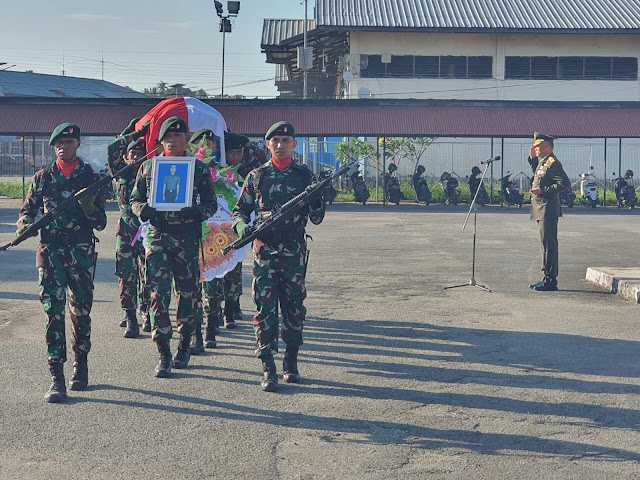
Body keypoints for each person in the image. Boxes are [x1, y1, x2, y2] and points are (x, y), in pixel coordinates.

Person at [232, 121, 325, 392]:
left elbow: (316, 218)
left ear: (294, 145)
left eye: (286, 140)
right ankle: (267, 367)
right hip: (264, 253)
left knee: (295, 309)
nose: (280, 145)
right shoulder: (256, 176)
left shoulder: (305, 176)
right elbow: (240, 210)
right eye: (275, 140)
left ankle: (291, 361)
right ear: (268, 143)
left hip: (293, 253)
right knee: (264, 311)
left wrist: (317, 198)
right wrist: (241, 227)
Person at [17, 122, 107, 403]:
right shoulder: (42, 178)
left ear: (78, 144)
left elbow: (101, 223)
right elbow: (26, 212)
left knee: (80, 312)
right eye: (58, 143)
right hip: (50, 252)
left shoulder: (91, 178)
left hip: (80, 252)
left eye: (68, 142)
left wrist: (89, 206)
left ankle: (81, 364)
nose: (62, 146)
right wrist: (23, 227)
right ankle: (56, 376)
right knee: (52, 313)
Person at [130, 116, 217, 378]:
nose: (172, 140)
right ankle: (163, 352)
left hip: (187, 240)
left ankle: (184, 344)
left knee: (188, 296)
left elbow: (211, 205)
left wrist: (196, 210)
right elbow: (135, 198)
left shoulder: (198, 169)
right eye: (167, 137)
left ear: (186, 139)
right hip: (158, 238)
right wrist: (141, 208)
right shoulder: (148, 168)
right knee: (157, 296)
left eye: (177, 136)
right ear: (161, 140)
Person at [190, 130, 249, 354]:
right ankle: (193, 331)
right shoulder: (183, 169)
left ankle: (210, 327)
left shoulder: (221, 175)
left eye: (212, 146)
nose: (206, 149)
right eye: (200, 144)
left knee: (214, 280)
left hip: (217, 233)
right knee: (191, 287)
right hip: (188, 235)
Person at [106, 119, 152, 337]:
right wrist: (133, 133)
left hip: (148, 232)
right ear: (125, 157)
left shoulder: (151, 171)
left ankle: (146, 311)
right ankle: (130, 316)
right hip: (125, 231)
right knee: (126, 276)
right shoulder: (120, 173)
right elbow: (112, 148)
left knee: (149, 275)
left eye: (140, 152)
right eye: (132, 153)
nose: (136, 156)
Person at [528, 132, 570, 292]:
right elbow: (539, 176)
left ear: (546, 147)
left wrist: (543, 190)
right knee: (544, 244)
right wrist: (533, 159)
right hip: (541, 208)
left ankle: (550, 280)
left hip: (547, 208)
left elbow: (564, 183)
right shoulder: (544, 162)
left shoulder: (553, 163)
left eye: (538, 146)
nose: (535, 148)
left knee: (548, 245)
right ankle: (547, 277)